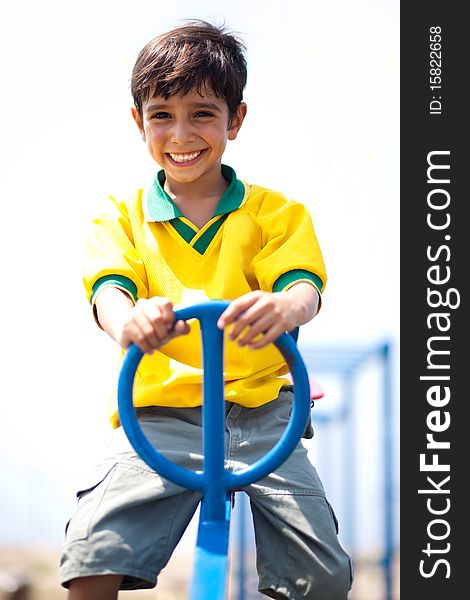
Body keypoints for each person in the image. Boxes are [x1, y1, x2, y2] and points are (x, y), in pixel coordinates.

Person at [59, 20, 353, 600]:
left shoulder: (276, 213)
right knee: (92, 554)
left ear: (234, 121)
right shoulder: (120, 216)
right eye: (162, 114)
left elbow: (303, 286)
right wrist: (129, 322)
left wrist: (285, 306)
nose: (181, 132)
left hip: (264, 413)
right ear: (139, 121)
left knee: (320, 574)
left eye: (202, 113)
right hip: (161, 413)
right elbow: (108, 292)